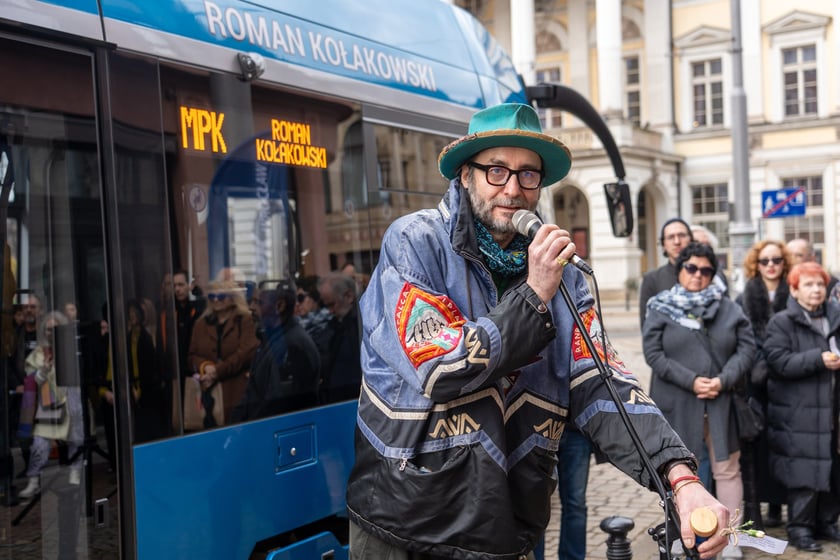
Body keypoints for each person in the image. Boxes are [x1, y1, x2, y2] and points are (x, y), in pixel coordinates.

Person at [346, 103, 729, 560]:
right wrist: (533, 294)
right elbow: (440, 367)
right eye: (496, 170)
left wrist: (679, 477)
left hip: (509, 524)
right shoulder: (416, 241)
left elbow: (603, 383)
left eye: (528, 175)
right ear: (465, 176)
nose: (512, 189)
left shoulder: (560, 272)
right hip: (407, 524)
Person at [642, 242, 755, 559]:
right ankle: (682, 535)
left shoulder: (728, 307)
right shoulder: (660, 306)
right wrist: (691, 381)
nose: (698, 275)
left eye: (706, 270)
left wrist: (723, 380)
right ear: (680, 269)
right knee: (680, 473)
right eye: (691, 267)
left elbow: (746, 350)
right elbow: (653, 354)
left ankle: (732, 538)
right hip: (679, 400)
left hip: (720, 402)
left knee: (727, 470)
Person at [764, 262, 840, 552]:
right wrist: (818, 359)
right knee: (804, 475)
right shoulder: (781, 322)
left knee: (833, 469)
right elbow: (778, 361)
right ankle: (800, 528)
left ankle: (827, 522)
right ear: (794, 290)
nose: (816, 290)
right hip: (798, 413)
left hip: (832, 411)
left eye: (820, 284)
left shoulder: (836, 317)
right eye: (808, 284)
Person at [735, 240, 791, 529]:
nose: (771, 265)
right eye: (765, 261)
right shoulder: (744, 297)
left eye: (777, 260)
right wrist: (757, 366)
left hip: (788, 382)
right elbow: (740, 338)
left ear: (784, 263)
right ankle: (759, 506)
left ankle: (779, 504)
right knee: (759, 448)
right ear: (756, 265)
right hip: (755, 385)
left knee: (784, 444)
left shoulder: (793, 294)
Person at [18, 311, 84, 498]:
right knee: (39, 444)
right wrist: (44, 370)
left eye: (54, 329)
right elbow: (32, 382)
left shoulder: (71, 351)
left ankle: (75, 474)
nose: (50, 333)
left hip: (70, 402)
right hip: (47, 406)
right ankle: (33, 481)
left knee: (76, 439)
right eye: (48, 330)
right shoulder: (36, 355)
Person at [233, 280, 320, 421]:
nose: (252, 308)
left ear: (279, 306)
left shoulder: (293, 345)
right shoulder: (271, 339)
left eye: (259, 303)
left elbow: (280, 405)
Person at [187, 280, 259, 426]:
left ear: (233, 298)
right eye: (212, 296)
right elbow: (191, 356)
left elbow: (246, 353)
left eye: (221, 296)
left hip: (236, 391)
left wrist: (216, 372)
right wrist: (205, 366)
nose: (215, 300)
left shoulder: (245, 320)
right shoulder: (200, 324)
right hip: (207, 392)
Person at [638, 218, 694, 327]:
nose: (677, 242)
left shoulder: (707, 274)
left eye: (682, 235)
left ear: (691, 240)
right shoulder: (652, 279)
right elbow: (646, 326)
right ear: (664, 245)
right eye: (671, 237)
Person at [317, 272, 361, 404]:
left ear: (348, 296)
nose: (330, 311)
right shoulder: (336, 324)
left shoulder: (360, 325)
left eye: (332, 304)